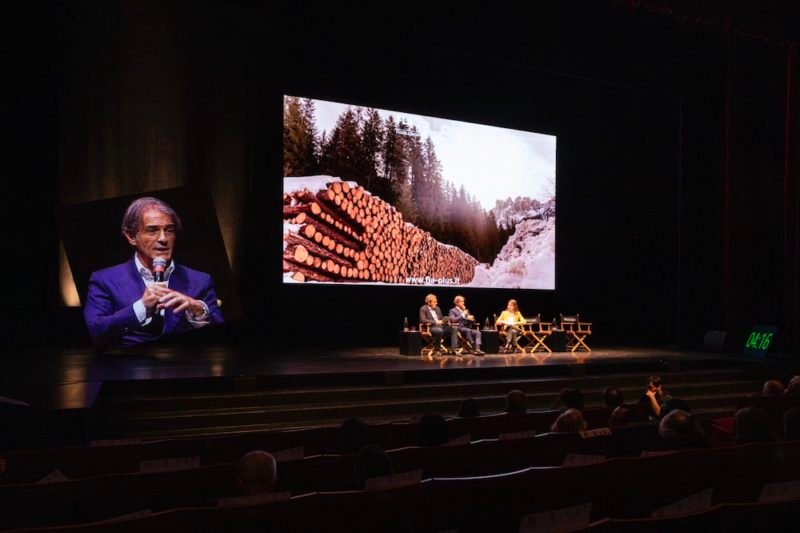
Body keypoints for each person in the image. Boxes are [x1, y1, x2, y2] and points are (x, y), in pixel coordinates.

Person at [83, 197, 223, 349]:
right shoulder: (104, 279)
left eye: (169, 230)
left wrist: (198, 311)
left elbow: (223, 339)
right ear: (131, 236)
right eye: (152, 230)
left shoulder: (200, 280)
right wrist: (141, 307)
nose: (163, 239)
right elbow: (95, 331)